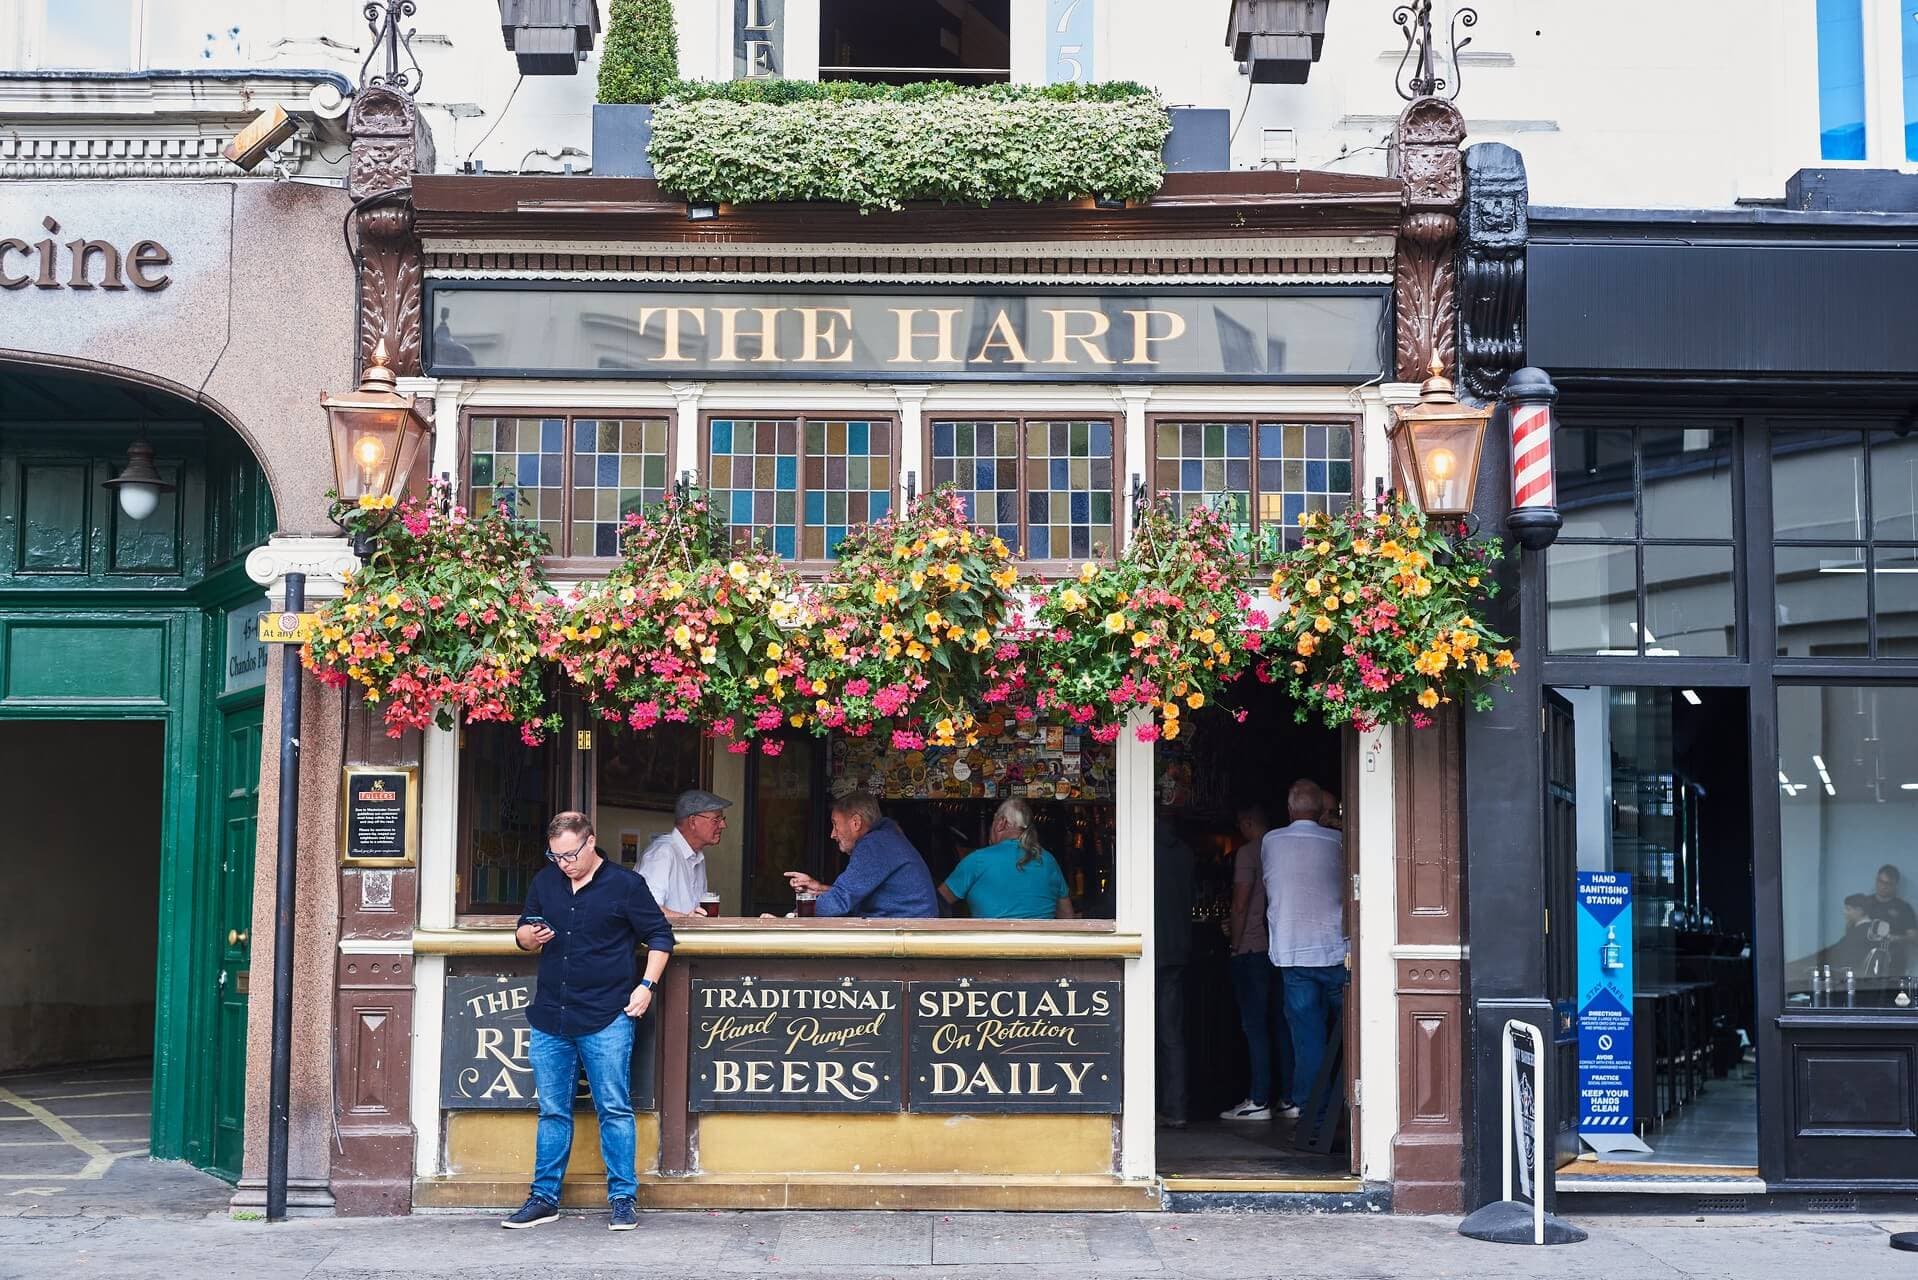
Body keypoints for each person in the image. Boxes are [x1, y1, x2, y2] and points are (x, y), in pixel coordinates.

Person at [502, 811, 675, 1232]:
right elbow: (524, 930)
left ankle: (622, 1199)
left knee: (614, 1109)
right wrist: (528, 937)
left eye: (571, 854)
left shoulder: (626, 885)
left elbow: (661, 936)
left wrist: (646, 986)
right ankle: (544, 1198)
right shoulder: (546, 882)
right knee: (552, 1112)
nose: (564, 863)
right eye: (556, 855)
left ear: (591, 842)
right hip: (550, 1014)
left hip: (606, 1016)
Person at [1262, 779, 1348, 1129]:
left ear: (1289, 809)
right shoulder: (1340, 841)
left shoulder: (1271, 841)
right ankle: (1354, 1111)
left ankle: (1314, 1116)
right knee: (1350, 1037)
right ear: (1321, 811)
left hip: (1294, 955)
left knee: (1309, 1041)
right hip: (1337, 952)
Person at [1220, 804, 1296, 1121]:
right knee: (1282, 1023)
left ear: (1248, 822)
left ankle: (1259, 1098)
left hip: (1252, 948)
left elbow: (1240, 905)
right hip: (1281, 946)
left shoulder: (1249, 852)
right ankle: (1290, 1098)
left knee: (1254, 1025)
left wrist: (1235, 944)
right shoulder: (1286, 848)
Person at [785, 792, 939, 919]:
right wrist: (819, 889)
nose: (832, 834)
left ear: (856, 823)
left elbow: (840, 900)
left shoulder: (875, 844)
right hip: (908, 930)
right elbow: (853, 895)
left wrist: (792, 918)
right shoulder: (884, 838)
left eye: (835, 824)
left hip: (906, 936)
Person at [939, 798, 1076, 920]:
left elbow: (936, 903)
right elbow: (1067, 916)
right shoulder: (1048, 861)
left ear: (1001, 823)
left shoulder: (977, 860)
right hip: (1040, 947)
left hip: (990, 947)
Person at [1153, 815, 1195, 1129]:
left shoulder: (1137, 846)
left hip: (1147, 949)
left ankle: (1140, 1108)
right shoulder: (1185, 852)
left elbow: (1114, 900)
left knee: (1135, 1034)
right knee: (1172, 1034)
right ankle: (1176, 1109)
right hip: (1177, 949)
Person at [636, 789, 731, 921]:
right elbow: (644, 908)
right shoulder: (662, 853)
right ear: (692, 822)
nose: (723, 825)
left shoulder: (697, 856)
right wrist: (687, 920)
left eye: (722, 819)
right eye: (716, 820)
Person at [1867, 864, 1917, 975]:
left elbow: (1914, 938)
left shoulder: (1904, 908)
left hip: (1894, 965)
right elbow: (1851, 929)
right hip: (1865, 964)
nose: (1883, 886)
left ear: (1895, 885)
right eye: (1880, 881)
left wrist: (1896, 938)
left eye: (1888, 883)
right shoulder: (1865, 903)